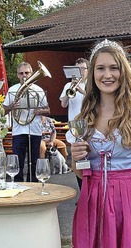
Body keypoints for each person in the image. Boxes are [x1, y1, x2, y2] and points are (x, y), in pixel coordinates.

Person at [68, 39, 131, 247]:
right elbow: (80, 172)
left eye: (114, 68)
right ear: (92, 74)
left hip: (127, 200)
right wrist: (75, 158)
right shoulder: (83, 117)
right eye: (100, 68)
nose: (107, 75)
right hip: (92, 201)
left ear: (123, 72)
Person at [2, 62, 50, 182]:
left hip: (35, 130)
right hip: (18, 131)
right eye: (21, 73)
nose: (24, 75)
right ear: (17, 75)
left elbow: (48, 110)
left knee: (34, 161)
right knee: (18, 161)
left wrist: (38, 111)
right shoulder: (12, 90)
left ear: (31, 73)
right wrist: (11, 107)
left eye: (27, 73)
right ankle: (18, 185)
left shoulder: (38, 90)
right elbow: (3, 111)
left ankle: (33, 185)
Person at [60, 58, 88, 188]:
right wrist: (70, 89)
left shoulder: (91, 85)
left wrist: (82, 91)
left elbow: (96, 102)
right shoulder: (68, 86)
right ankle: (82, 192)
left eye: (83, 69)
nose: (80, 72)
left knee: (88, 160)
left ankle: (88, 191)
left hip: (88, 127)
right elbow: (63, 104)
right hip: (74, 128)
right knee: (76, 162)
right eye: (78, 69)